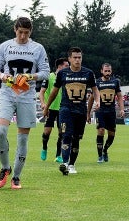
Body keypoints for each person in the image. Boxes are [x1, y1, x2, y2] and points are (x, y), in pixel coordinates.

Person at [0, 16, 50, 189]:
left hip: (27, 96)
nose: (23, 36)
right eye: (20, 32)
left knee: (22, 139)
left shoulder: (38, 48)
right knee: (1, 132)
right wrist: (3, 76)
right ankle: (4, 168)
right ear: (14, 30)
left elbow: (46, 71)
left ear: (30, 32)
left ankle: (16, 177)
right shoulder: (5, 46)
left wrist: (31, 76)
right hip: (7, 94)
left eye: (26, 32)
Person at [43, 47, 100, 175]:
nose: (77, 60)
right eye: (74, 57)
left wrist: (98, 101)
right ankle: (64, 162)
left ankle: (72, 164)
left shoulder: (88, 73)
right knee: (66, 135)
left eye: (79, 57)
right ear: (69, 59)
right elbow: (54, 91)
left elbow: (95, 89)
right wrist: (46, 107)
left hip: (80, 111)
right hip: (65, 109)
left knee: (76, 138)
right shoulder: (62, 74)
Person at [89, 63, 125, 163]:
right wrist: (88, 113)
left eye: (109, 71)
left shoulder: (115, 82)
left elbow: (120, 96)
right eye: (106, 71)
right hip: (100, 111)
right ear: (101, 71)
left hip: (111, 111)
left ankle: (105, 150)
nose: (107, 73)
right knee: (100, 130)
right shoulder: (97, 83)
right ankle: (100, 156)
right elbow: (91, 98)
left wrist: (122, 109)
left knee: (112, 134)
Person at [39, 57, 69, 162]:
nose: (68, 67)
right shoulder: (49, 77)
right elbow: (42, 92)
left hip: (63, 109)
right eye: (66, 66)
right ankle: (44, 148)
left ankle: (58, 155)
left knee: (62, 133)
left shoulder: (67, 78)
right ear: (59, 66)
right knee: (47, 131)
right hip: (51, 108)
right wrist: (43, 104)